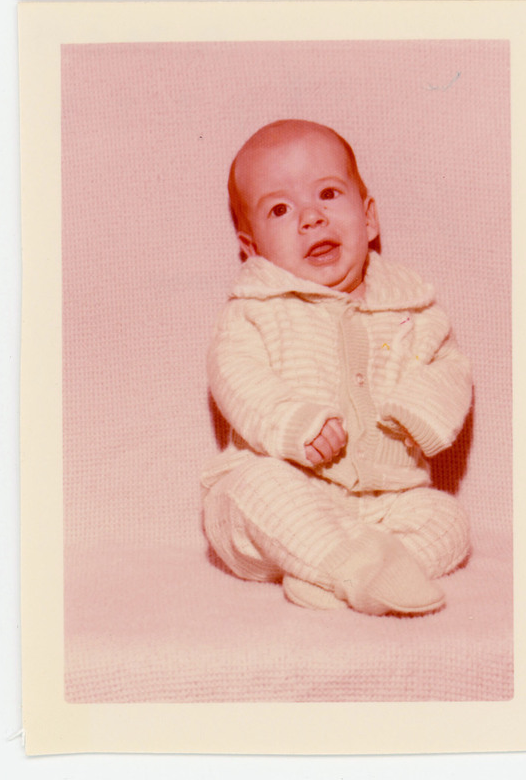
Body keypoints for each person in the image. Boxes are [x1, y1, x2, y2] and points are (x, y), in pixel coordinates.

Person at [201, 119, 473, 616]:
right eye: (280, 209)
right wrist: (292, 420)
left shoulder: (412, 307)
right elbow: (235, 375)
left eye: (328, 194)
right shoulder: (253, 311)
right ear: (252, 247)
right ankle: (344, 565)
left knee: (447, 519)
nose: (310, 218)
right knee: (250, 491)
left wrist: (419, 408)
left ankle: (339, 574)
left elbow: (449, 367)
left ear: (368, 219)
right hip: (288, 492)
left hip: (386, 502)